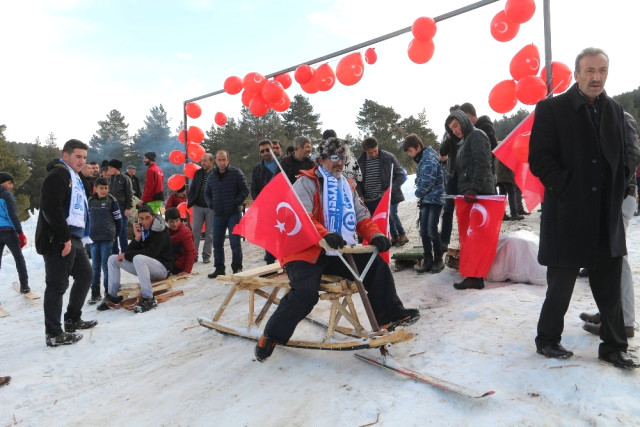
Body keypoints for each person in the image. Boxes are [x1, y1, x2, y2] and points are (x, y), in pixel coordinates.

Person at [254, 138, 419, 362]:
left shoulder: (346, 185)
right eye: (334, 157)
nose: (339, 163)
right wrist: (324, 234)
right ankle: (271, 335)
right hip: (304, 251)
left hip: (336, 250)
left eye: (342, 157)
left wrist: (376, 234)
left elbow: (361, 216)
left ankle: (390, 315)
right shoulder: (306, 182)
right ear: (321, 160)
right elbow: (301, 216)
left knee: (375, 265)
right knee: (305, 294)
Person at [528, 47, 639, 369]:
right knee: (560, 285)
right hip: (567, 212)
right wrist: (567, 187)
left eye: (602, 71)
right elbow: (540, 160)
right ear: (576, 74)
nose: (596, 77)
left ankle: (615, 346)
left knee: (609, 283)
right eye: (589, 71)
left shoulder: (615, 111)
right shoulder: (551, 109)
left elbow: (630, 154)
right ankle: (548, 340)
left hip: (606, 214)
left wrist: (617, 186)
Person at [578, 111, 640, 339]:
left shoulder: (622, 117)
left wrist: (614, 188)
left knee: (617, 259)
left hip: (620, 197)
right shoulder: (595, 120)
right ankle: (609, 313)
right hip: (607, 199)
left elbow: (632, 156)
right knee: (606, 259)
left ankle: (624, 321)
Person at [35, 139, 97, 347]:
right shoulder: (58, 175)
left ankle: (72, 319)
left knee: (85, 275)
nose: (81, 161)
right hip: (59, 239)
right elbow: (50, 209)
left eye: (84, 158)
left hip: (75, 238)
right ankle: (53, 333)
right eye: (78, 157)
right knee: (57, 285)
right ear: (65, 156)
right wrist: (64, 238)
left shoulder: (75, 177)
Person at [445, 109, 495, 290]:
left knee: (476, 237)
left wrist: (474, 188)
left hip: (480, 193)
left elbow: (483, 162)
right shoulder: (464, 141)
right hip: (470, 193)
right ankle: (474, 274)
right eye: (451, 129)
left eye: (456, 125)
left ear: (464, 120)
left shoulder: (477, 135)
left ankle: (476, 277)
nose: (455, 130)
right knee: (471, 236)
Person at [98, 205, 173, 313]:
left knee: (138, 258)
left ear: (153, 217)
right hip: (145, 267)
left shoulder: (160, 231)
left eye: (147, 218)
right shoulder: (143, 230)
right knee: (113, 259)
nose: (144, 221)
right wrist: (137, 238)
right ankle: (113, 296)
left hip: (162, 269)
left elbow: (150, 253)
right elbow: (128, 252)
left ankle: (148, 298)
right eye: (141, 219)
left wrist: (126, 255)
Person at [403, 134, 445, 273]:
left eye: (410, 151)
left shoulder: (428, 159)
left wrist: (418, 192)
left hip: (435, 199)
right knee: (423, 231)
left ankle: (438, 260)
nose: (409, 154)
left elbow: (428, 181)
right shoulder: (423, 158)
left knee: (431, 230)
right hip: (427, 199)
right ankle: (428, 260)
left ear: (418, 147)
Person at [356, 136, 407, 246]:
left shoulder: (388, 157)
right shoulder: (359, 161)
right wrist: (359, 194)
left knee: (388, 218)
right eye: (370, 153)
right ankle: (373, 242)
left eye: (375, 151)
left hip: (383, 197)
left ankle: (396, 237)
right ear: (365, 151)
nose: (373, 154)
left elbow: (400, 175)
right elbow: (357, 181)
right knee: (370, 222)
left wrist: (390, 190)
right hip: (367, 199)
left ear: (378, 146)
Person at [205, 150, 249, 278]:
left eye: (224, 159)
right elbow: (207, 193)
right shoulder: (211, 176)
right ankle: (219, 268)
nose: (222, 162)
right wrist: (211, 204)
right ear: (215, 161)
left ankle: (237, 268)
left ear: (228, 159)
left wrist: (236, 202)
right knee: (217, 243)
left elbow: (245, 190)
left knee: (235, 242)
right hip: (218, 214)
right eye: (219, 160)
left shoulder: (236, 173)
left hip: (233, 213)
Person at [87, 177, 122, 304]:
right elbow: (87, 219)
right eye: (101, 188)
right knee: (95, 267)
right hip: (94, 239)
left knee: (106, 266)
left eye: (106, 188)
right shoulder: (90, 200)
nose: (104, 190)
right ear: (96, 188)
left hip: (108, 238)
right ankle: (95, 293)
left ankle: (108, 293)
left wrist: (115, 235)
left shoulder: (112, 201)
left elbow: (119, 220)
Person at [0, 172, 29, 293]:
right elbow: (12, 215)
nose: (11, 186)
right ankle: (25, 286)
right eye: (9, 183)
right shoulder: (7, 195)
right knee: (19, 258)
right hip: (8, 231)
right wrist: (20, 232)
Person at [439, 104, 462, 253]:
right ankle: (444, 241)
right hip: (452, 174)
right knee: (448, 209)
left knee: (466, 210)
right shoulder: (447, 133)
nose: (454, 127)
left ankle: (466, 241)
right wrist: (448, 139)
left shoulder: (471, 132)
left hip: (467, 175)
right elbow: (442, 155)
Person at [251, 140, 278, 264]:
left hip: (283, 206)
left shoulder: (283, 163)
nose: (266, 153)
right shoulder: (257, 168)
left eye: (268, 150)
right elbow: (254, 189)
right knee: (269, 238)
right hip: (266, 208)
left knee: (284, 237)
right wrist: (260, 203)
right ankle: (270, 266)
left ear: (273, 149)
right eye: (262, 151)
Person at [187, 152, 215, 264]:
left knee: (210, 232)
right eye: (201, 160)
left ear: (211, 161)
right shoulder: (198, 173)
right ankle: (194, 255)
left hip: (211, 207)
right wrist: (191, 199)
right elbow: (193, 188)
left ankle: (206, 256)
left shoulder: (217, 173)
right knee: (195, 231)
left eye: (205, 161)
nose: (202, 163)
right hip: (198, 205)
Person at [108, 159, 133, 254]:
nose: (109, 169)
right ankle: (114, 252)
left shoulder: (125, 178)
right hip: (111, 209)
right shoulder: (109, 179)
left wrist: (128, 208)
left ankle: (125, 252)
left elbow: (129, 194)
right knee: (113, 231)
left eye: (110, 167)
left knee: (122, 232)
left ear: (115, 168)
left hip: (122, 209)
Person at [165, 207, 195, 276]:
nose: (174, 224)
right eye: (171, 221)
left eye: (176, 220)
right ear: (166, 221)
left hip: (180, 265)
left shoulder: (184, 232)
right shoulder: (167, 232)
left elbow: (191, 252)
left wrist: (186, 271)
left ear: (180, 220)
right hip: (172, 261)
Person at [495, 150, 525, 221]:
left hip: (499, 178)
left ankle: (502, 214)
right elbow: (511, 166)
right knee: (511, 195)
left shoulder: (498, 153)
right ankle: (514, 214)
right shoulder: (507, 155)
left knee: (502, 196)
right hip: (507, 177)